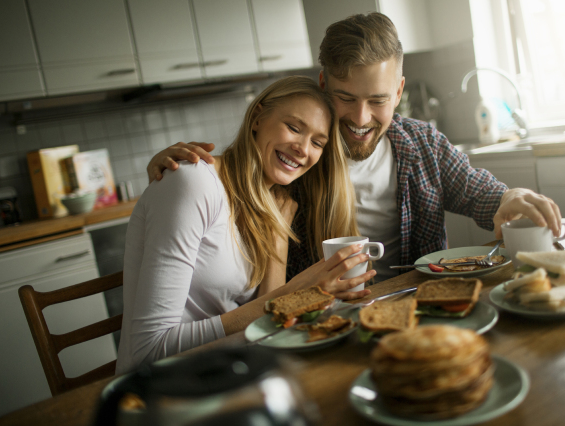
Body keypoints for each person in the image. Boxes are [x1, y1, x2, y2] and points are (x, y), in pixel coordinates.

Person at [146, 13, 562, 283]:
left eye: (377, 101)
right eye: (346, 98)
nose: (361, 119)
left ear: (398, 92)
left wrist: (513, 195)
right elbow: (233, 185)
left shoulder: (422, 144)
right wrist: (176, 168)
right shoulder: (296, 157)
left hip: (424, 307)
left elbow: (478, 191)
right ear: (324, 84)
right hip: (326, 322)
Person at [116, 76, 373, 374]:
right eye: (293, 127)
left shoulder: (271, 202)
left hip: (227, 373)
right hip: (162, 391)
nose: (303, 149)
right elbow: (147, 350)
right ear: (257, 118)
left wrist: (278, 237)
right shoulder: (194, 183)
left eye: (317, 142)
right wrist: (296, 293)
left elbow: (268, 328)